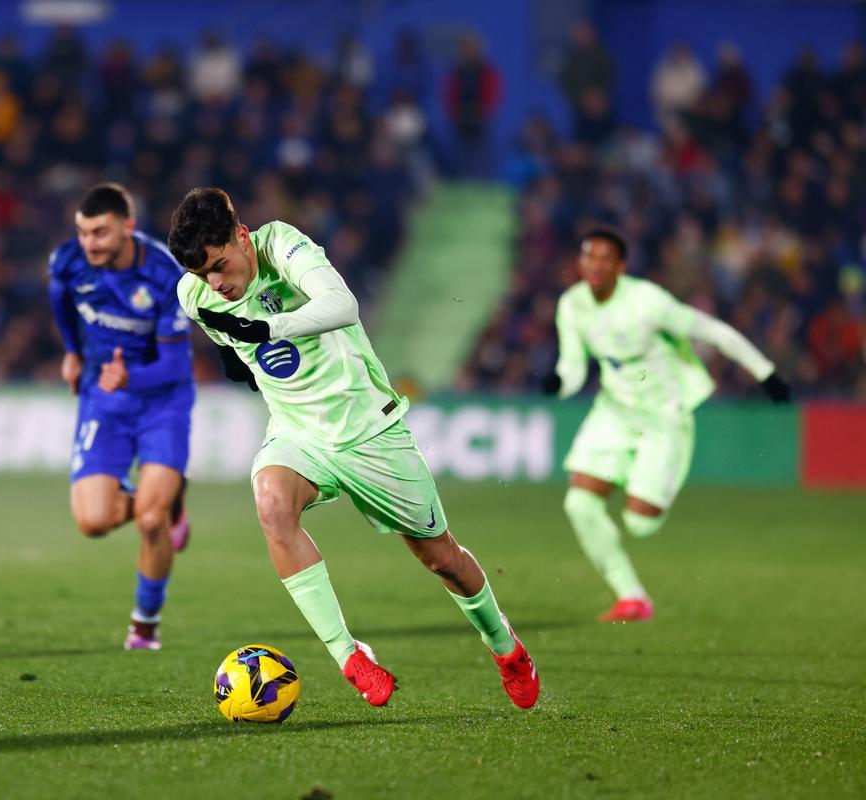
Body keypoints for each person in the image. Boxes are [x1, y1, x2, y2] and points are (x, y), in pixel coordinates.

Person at [167, 187, 539, 709]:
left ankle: (505, 647)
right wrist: (241, 353)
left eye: (221, 265)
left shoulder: (284, 246)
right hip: (298, 431)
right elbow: (231, 344)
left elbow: (342, 305)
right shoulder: (197, 295)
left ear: (243, 238)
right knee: (272, 505)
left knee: (440, 557)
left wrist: (268, 328)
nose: (215, 284)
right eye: (203, 274)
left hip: (369, 429)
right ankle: (349, 655)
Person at [543, 227, 791, 622]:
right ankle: (632, 597)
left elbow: (713, 331)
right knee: (579, 503)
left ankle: (638, 476)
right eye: (589, 256)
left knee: (640, 524)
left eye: (605, 258)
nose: (595, 264)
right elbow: (572, 365)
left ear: (621, 266)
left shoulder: (647, 301)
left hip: (664, 418)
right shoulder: (572, 304)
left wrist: (766, 373)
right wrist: (558, 384)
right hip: (614, 411)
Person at [47, 183, 195, 651]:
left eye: (101, 233)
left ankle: (144, 625)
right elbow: (59, 299)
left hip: (161, 401)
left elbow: (175, 365)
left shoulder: (164, 276)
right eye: (84, 232)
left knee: (151, 522)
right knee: (93, 522)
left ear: (128, 227)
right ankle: (167, 495)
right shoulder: (67, 262)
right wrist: (72, 352)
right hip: (103, 398)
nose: (90, 243)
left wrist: (128, 377)